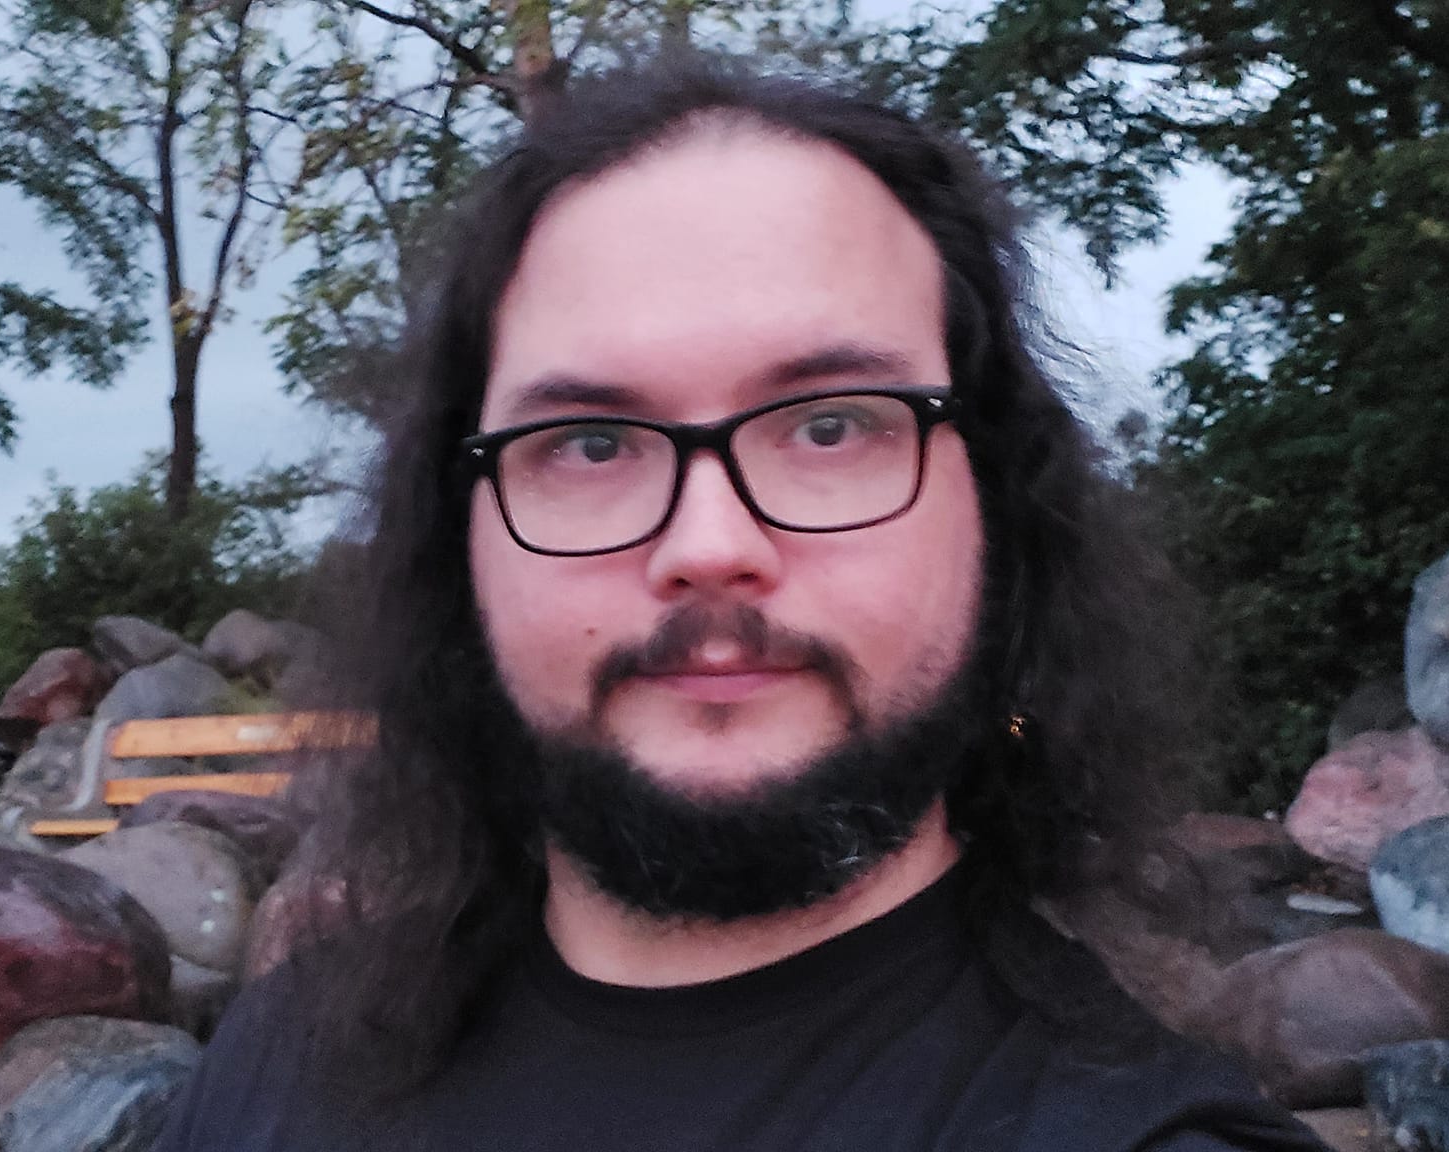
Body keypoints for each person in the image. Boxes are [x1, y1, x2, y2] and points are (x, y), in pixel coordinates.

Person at [155, 55, 1326, 1152]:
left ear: (997, 514)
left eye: (830, 425)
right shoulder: (284, 1061)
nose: (707, 546)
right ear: (453, 540)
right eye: (591, 442)